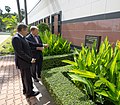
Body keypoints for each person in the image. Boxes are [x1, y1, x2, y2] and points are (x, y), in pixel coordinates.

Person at [12, 24, 40, 98]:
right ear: (22, 30)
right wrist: (30, 59)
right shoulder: (16, 38)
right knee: (27, 78)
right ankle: (29, 93)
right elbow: (20, 53)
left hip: (25, 62)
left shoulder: (22, 37)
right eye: (26, 30)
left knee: (26, 77)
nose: (27, 32)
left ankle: (26, 90)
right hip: (23, 63)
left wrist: (41, 45)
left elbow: (31, 44)